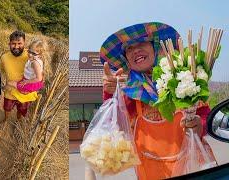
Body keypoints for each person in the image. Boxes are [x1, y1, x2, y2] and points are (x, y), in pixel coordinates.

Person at [86, 22, 213, 180]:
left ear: (156, 47)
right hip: (150, 174)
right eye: (129, 49)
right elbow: (114, 125)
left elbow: (205, 116)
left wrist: (199, 125)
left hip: (194, 167)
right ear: (126, 60)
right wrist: (111, 94)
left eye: (141, 43)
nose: (135, 50)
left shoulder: (184, 80)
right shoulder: (129, 93)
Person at [0, 31, 38, 126]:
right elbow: (3, 71)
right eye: (13, 43)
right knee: (7, 108)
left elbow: (39, 73)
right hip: (10, 90)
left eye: (19, 43)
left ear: (24, 43)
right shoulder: (4, 57)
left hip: (25, 92)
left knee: (21, 110)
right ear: (9, 43)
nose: (16, 46)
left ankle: (18, 122)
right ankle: (6, 120)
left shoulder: (30, 56)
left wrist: (31, 87)